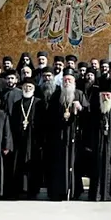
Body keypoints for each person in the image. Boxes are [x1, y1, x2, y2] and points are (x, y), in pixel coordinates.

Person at [45, 72, 86, 201]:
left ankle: (74, 190)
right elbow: (49, 116)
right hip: (59, 136)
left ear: (74, 82)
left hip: (74, 135)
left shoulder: (79, 94)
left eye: (69, 80)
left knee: (74, 164)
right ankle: (59, 191)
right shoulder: (56, 95)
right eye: (65, 80)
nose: (67, 82)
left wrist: (80, 109)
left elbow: (88, 113)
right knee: (59, 164)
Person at [8, 78, 44, 200]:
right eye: (25, 87)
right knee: (18, 164)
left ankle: (32, 190)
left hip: (33, 140)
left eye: (29, 87)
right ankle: (19, 189)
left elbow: (43, 123)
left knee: (33, 164)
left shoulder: (39, 103)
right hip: (20, 139)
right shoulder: (18, 104)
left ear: (33, 89)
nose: (27, 89)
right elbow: (13, 122)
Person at [87, 90, 111, 201]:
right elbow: (89, 128)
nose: (105, 97)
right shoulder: (95, 108)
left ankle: (109, 194)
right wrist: (90, 144)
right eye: (103, 95)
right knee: (97, 169)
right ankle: (96, 194)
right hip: (98, 144)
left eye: (108, 95)